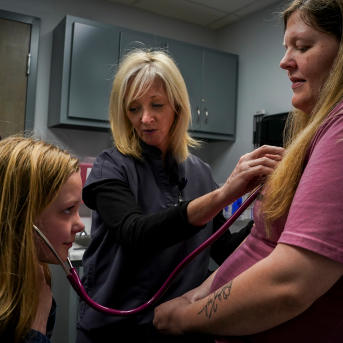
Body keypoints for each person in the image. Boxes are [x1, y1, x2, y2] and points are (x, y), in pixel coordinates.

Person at [152, 0, 343, 342]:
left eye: (302, 46)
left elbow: (290, 282)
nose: (284, 61)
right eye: (287, 47)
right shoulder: (319, 133)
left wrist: (186, 317)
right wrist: (195, 296)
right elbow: (257, 243)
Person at [76, 49, 284, 342]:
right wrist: (225, 193)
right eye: (134, 108)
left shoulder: (199, 171)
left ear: (177, 105)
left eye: (156, 105)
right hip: (117, 330)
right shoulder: (110, 166)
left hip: (180, 327)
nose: (145, 118)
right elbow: (135, 233)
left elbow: (222, 247)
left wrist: (275, 208)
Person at [0, 136, 85, 343]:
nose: (81, 225)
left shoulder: (33, 280)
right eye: (67, 210)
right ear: (23, 216)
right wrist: (36, 326)